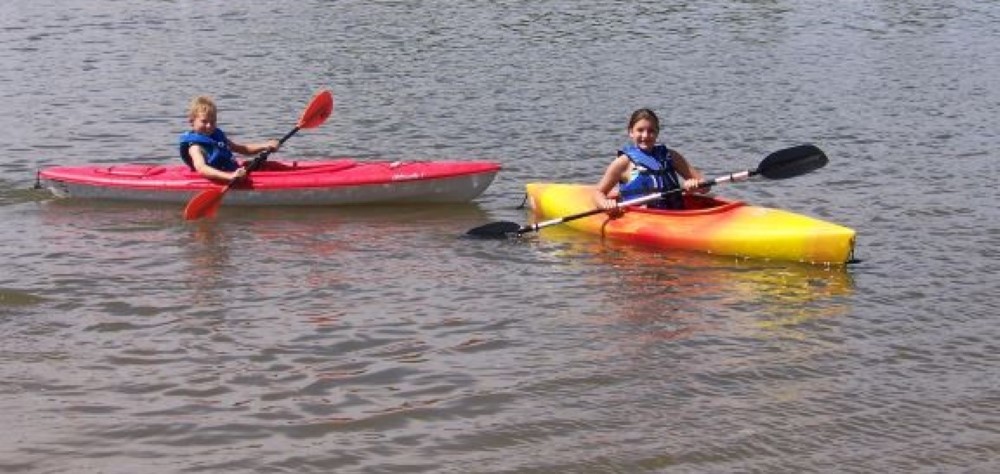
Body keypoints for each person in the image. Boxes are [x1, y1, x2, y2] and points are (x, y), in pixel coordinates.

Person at [593, 108, 706, 213]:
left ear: (657, 132)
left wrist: (696, 185)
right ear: (631, 132)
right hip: (641, 217)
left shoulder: (672, 156)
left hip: (676, 216)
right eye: (640, 130)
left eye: (651, 131)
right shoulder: (623, 163)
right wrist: (604, 203)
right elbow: (598, 192)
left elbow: (705, 187)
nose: (645, 135)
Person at [178, 95, 280, 182]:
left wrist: (265, 145)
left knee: (268, 166)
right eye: (204, 121)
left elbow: (242, 149)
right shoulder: (195, 147)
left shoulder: (216, 136)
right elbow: (201, 168)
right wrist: (230, 176)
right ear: (192, 121)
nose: (209, 126)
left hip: (233, 172)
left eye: (213, 122)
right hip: (222, 178)